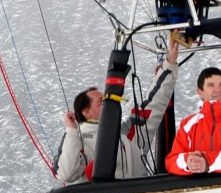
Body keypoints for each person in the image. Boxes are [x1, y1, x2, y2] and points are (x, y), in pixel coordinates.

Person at [58, 33, 180, 183]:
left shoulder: (130, 134)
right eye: (102, 102)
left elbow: (153, 103)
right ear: (86, 112)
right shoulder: (78, 143)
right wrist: (71, 130)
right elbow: (66, 174)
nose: (108, 105)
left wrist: (169, 63)